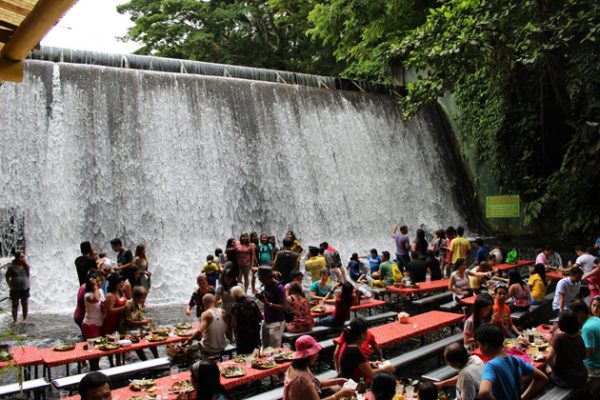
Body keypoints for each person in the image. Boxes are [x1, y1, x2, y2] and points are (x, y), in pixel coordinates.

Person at [476, 324, 547, 400]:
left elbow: (484, 392)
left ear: (486, 345)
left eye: (479, 344)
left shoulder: (491, 366)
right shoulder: (516, 360)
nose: (479, 348)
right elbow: (543, 378)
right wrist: (523, 398)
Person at [283, 335, 353, 400]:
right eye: (315, 352)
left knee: (336, 388)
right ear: (307, 355)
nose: (317, 355)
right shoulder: (303, 379)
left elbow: (314, 382)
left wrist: (335, 381)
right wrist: (340, 394)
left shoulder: (295, 366)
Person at [339, 319, 395, 383]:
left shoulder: (348, 345)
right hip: (353, 384)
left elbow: (357, 364)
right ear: (362, 334)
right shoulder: (356, 352)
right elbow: (371, 374)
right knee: (382, 378)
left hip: (352, 379)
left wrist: (370, 363)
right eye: (366, 331)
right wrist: (386, 369)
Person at [545, 310, 587, 387]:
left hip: (567, 380)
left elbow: (549, 358)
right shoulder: (579, 336)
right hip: (582, 376)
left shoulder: (558, 337)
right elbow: (584, 355)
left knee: (545, 367)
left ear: (560, 324)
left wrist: (553, 368)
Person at [122, 286, 159, 360]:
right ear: (136, 297)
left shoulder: (138, 304)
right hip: (129, 330)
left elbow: (139, 317)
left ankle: (157, 358)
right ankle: (144, 360)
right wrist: (142, 322)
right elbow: (128, 322)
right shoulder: (128, 305)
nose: (143, 300)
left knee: (151, 337)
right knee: (137, 342)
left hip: (138, 328)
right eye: (142, 298)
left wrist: (146, 320)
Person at [257, 267, 287, 348]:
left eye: (261, 278)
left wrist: (268, 304)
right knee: (265, 347)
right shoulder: (267, 284)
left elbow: (284, 307)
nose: (260, 280)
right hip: (267, 320)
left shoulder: (279, 288)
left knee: (273, 350)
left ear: (267, 277)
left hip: (277, 322)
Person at [570, 301, 600, 376]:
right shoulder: (596, 319)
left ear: (580, 313)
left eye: (573, 315)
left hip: (594, 367)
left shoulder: (587, 328)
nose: (572, 318)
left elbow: (589, 353)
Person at [230, 286, 262, 354]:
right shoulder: (252, 302)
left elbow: (234, 324)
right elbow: (260, 317)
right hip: (254, 333)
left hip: (242, 335)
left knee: (243, 355)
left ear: (235, 295)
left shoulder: (235, 306)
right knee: (254, 354)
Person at [5, 251, 30, 323]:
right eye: (21, 257)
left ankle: (24, 319)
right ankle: (15, 320)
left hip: (25, 288)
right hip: (15, 289)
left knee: (25, 304)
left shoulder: (26, 267)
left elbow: (28, 276)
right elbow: (7, 277)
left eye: (24, 257)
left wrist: (28, 284)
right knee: (15, 305)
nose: (23, 258)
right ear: (17, 258)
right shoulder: (11, 267)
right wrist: (10, 285)